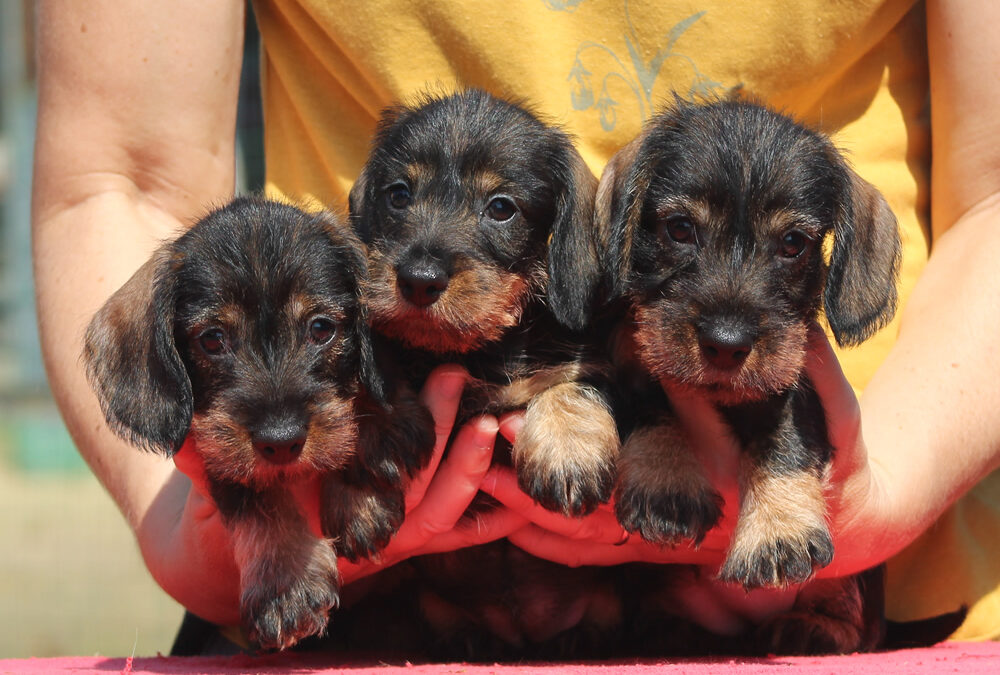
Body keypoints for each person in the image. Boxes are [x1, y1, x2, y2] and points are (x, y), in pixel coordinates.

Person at [32, 0, 1000, 649]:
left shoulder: (591, 298)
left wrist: (878, 495)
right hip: (335, 593)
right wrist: (193, 530)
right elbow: (116, 177)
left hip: (876, 573)